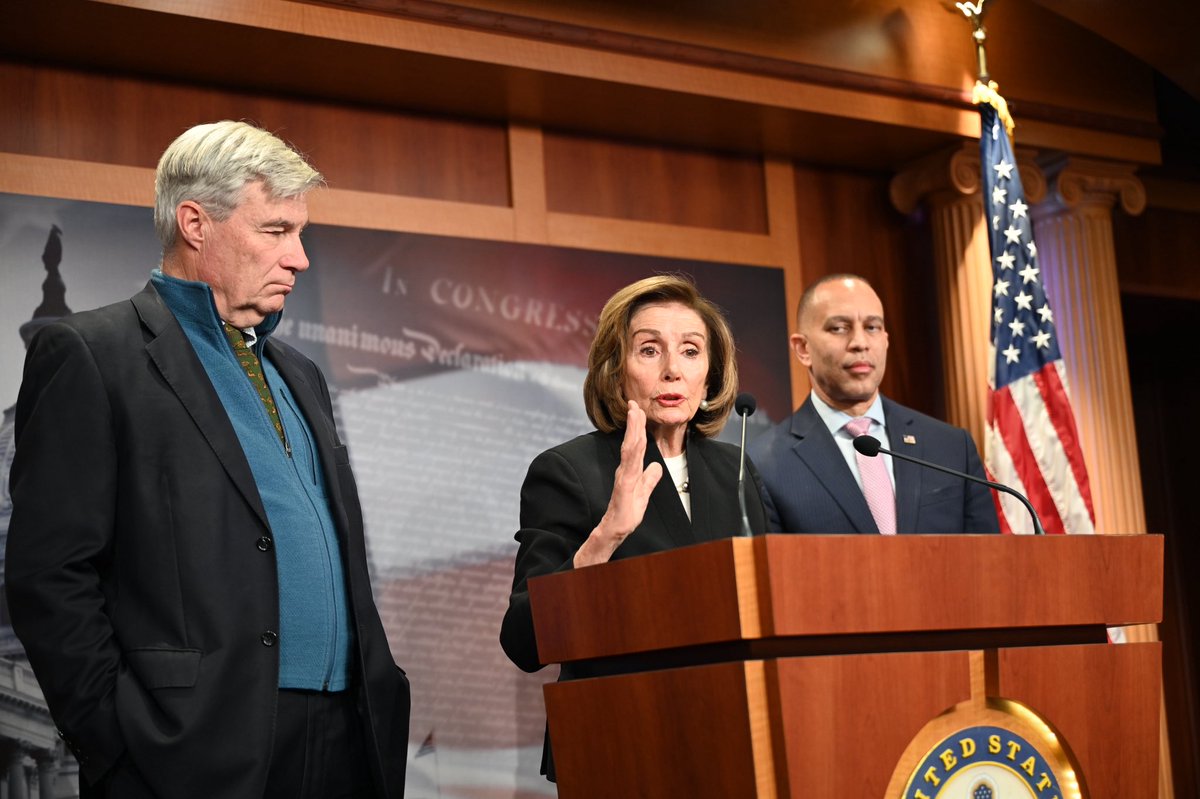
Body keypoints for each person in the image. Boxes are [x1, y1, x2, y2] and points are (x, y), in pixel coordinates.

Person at [5, 121, 409, 799]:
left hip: (348, 738)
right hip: (192, 749)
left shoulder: (301, 373)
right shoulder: (92, 355)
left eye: (300, 233)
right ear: (195, 223)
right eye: (276, 230)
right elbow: (49, 575)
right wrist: (117, 743)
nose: (299, 258)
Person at [499, 274, 768, 781]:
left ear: (710, 375)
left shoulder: (735, 470)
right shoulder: (568, 471)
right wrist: (607, 536)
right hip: (620, 743)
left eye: (690, 351)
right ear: (615, 371)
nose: (672, 370)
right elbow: (522, 641)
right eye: (649, 350)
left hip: (730, 735)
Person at [749, 273, 999, 535]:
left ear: (886, 340)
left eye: (872, 327)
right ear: (803, 349)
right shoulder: (763, 465)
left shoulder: (951, 448)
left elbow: (988, 556)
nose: (860, 343)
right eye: (839, 328)